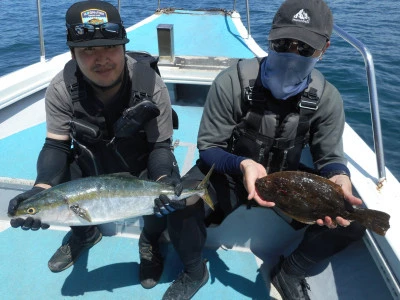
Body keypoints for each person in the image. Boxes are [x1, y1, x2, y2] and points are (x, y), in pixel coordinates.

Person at [163, 0, 366, 299]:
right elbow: (209, 147)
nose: (291, 55)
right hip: (230, 175)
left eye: (305, 49)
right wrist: (243, 165)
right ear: (269, 38)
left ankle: (291, 270)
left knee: (355, 220)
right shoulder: (232, 82)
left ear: (323, 50)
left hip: (291, 188)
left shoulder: (327, 98)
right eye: (282, 43)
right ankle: (195, 270)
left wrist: (338, 179)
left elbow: (330, 158)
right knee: (181, 203)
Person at [7, 0, 189, 294]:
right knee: (63, 180)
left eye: (110, 47)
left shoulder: (150, 83)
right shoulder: (61, 87)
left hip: (141, 161)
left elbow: (160, 146)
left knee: (163, 198)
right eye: (88, 50)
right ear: (73, 53)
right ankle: (84, 234)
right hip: (93, 163)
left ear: (123, 46)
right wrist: (41, 189)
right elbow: (55, 144)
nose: (101, 59)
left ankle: (150, 242)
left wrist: (161, 181)